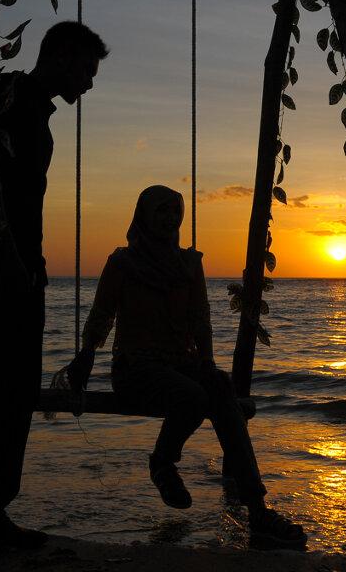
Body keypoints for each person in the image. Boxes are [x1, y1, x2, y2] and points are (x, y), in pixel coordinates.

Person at [0, 21, 109, 550]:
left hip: (21, 269)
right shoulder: (5, 97)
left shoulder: (36, 112)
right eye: (86, 70)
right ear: (58, 57)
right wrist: (6, 256)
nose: (89, 84)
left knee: (11, 395)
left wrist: (29, 265)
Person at [65, 185, 307, 549]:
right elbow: (102, 316)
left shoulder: (189, 265)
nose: (169, 219)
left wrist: (207, 363)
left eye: (174, 211)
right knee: (193, 396)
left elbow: (200, 320)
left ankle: (257, 509)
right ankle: (162, 462)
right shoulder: (122, 264)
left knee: (220, 388)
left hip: (180, 365)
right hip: (136, 370)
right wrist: (85, 354)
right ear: (143, 216)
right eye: (161, 211)